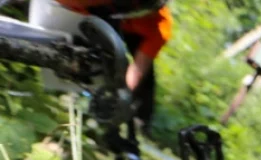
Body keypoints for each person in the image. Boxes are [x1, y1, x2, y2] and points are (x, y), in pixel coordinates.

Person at [53, 0, 173, 134]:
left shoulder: (159, 29)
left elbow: (138, 68)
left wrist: (119, 94)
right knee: (91, 47)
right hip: (106, 15)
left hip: (136, 32)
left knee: (141, 80)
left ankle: (140, 121)